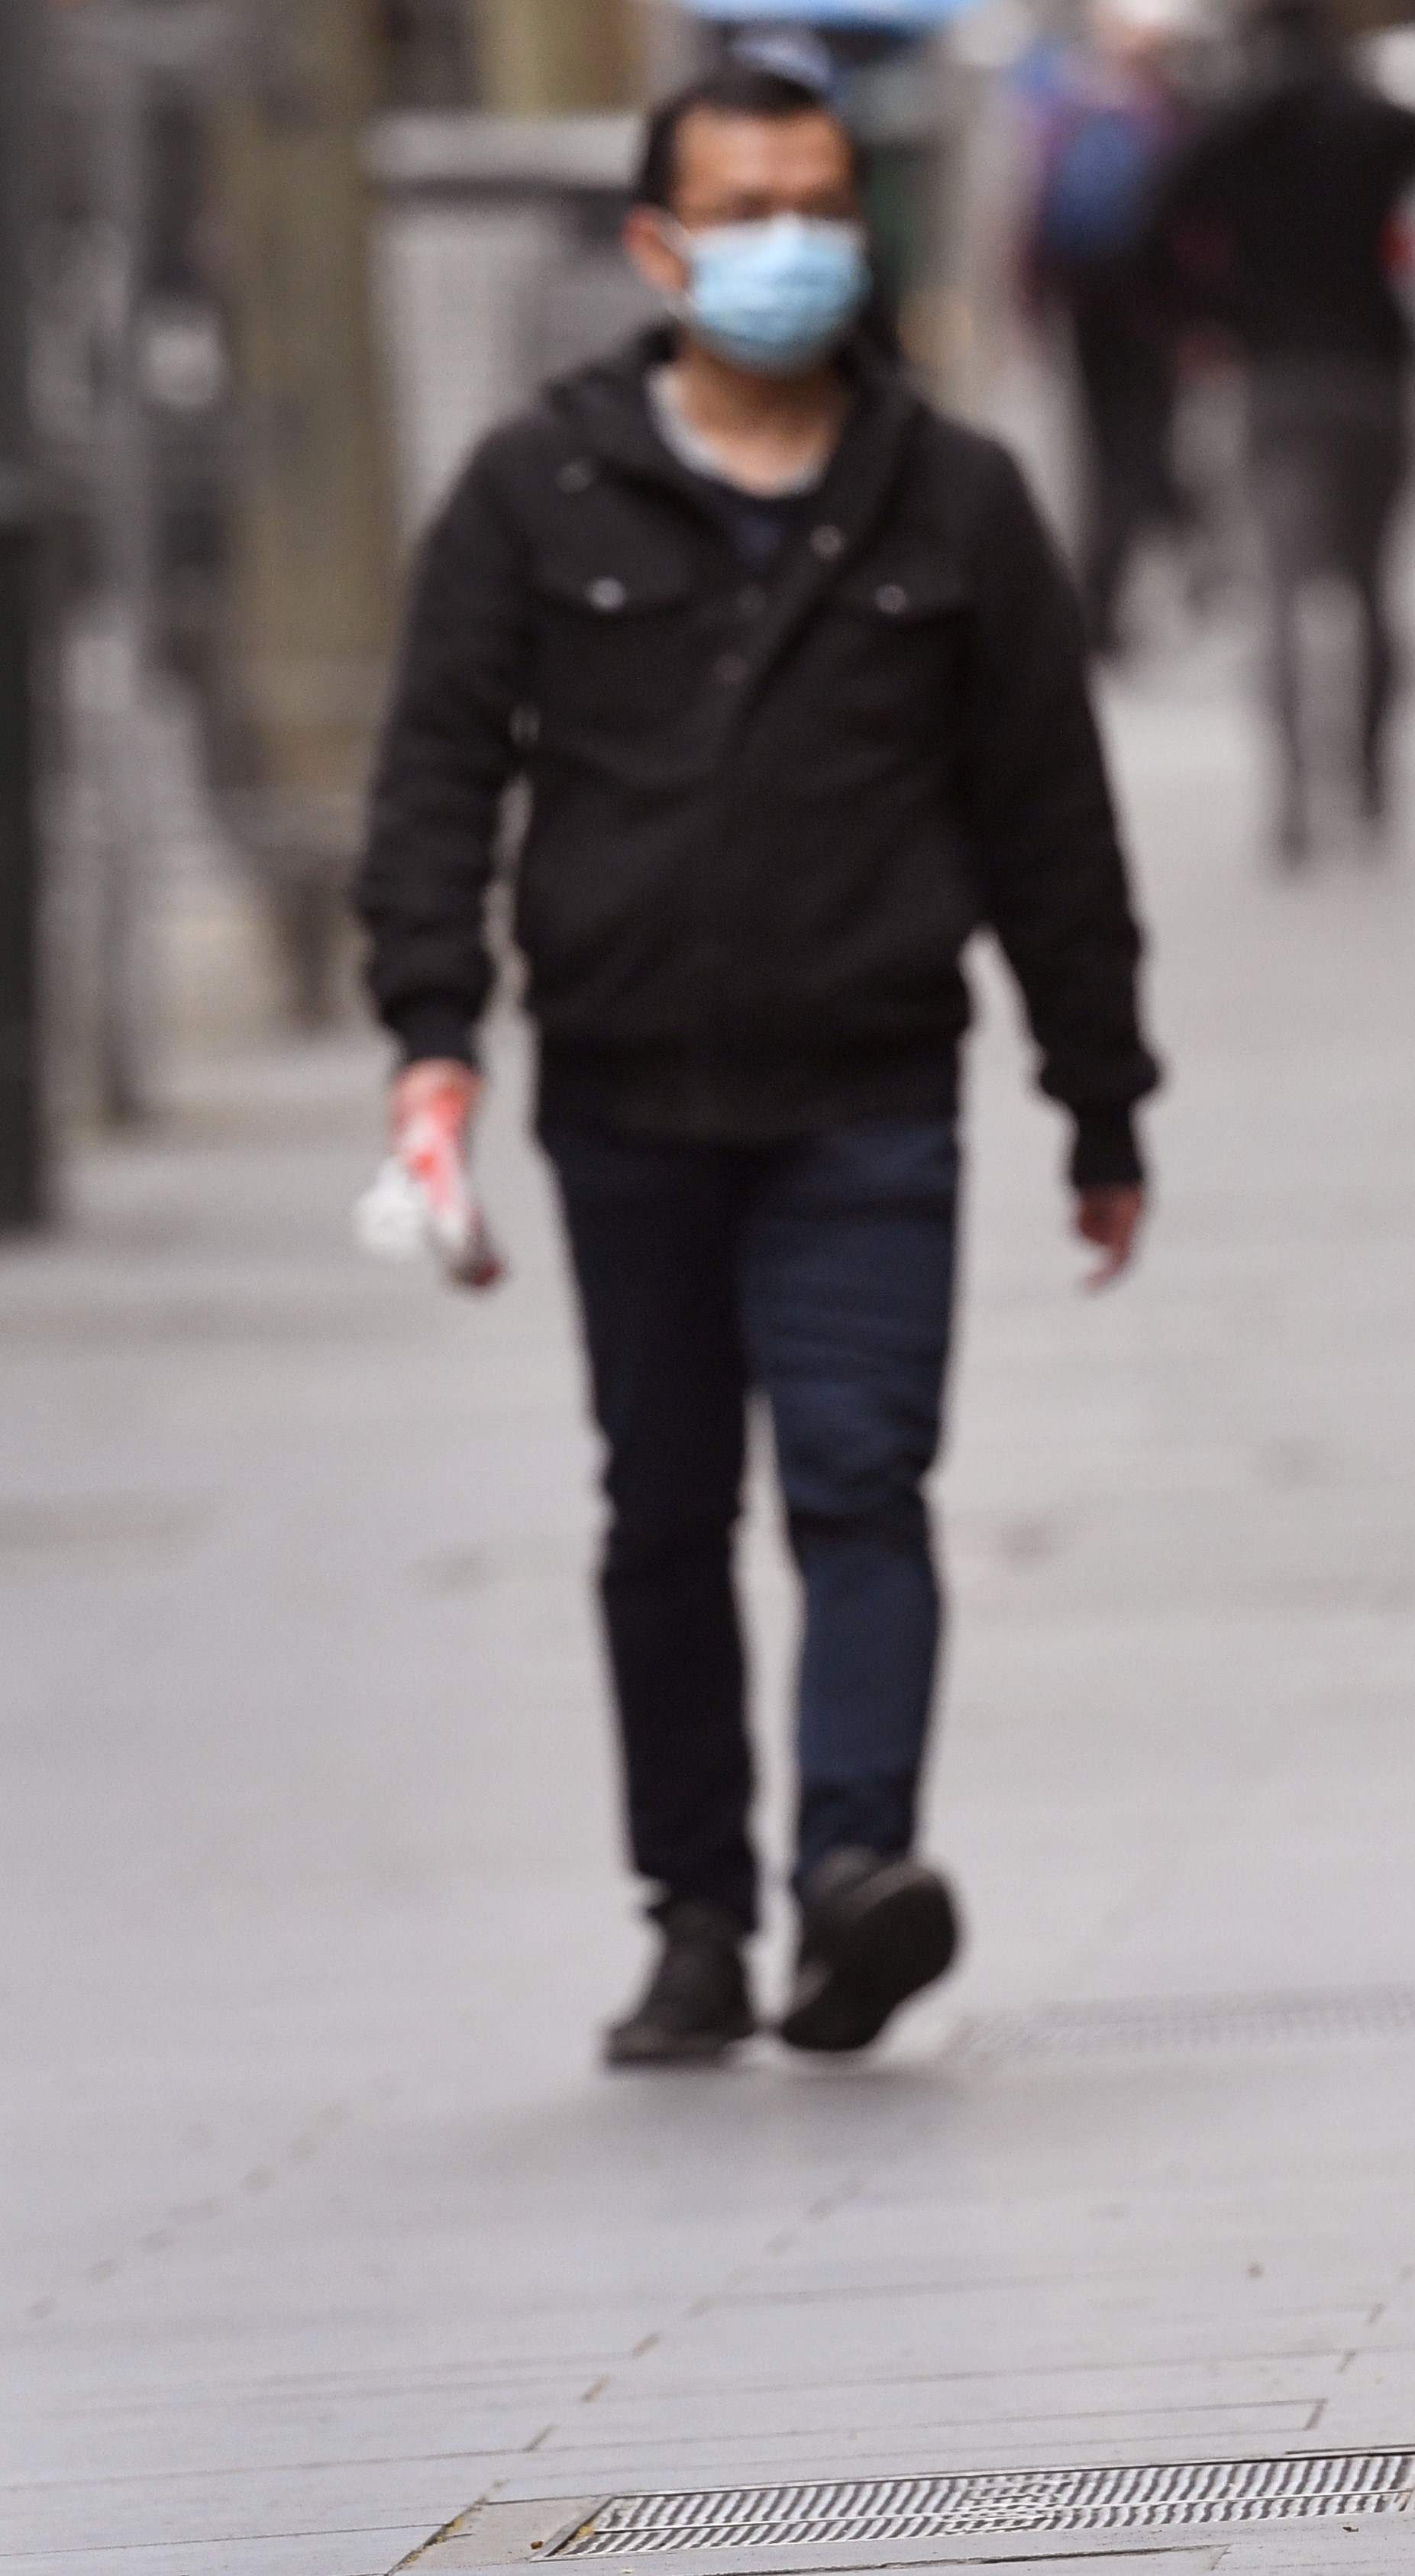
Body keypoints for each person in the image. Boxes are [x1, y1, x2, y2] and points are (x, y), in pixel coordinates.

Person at [352, 56, 1159, 2069]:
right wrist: (431, 1039)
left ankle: (854, 1875)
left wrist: (1099, 1091)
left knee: (866, 1475)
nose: (793, 243)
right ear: (658, 245)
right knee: (662, 1506)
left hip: (871, 1083)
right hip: (625, 1089)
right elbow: (438, 778)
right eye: (747, 208)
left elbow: (1049, 815)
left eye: (820, 203)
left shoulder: (953, 496)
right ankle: (696, 1909)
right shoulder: (534, 489)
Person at [1143, 0, 1415, 864]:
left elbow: (1143, 232)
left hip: (1278, 383)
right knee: (1371, 587)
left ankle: (1292, 790)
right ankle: (1367, 778)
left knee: (1285, 592)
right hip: (1375, 378)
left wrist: (1208, 320)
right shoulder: (1379, 123)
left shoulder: (1233, 131)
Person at [1018, 0, 1200, 659]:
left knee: (1105, 452)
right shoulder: (1169, 117)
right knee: (1137, 449)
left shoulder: (1070, 111)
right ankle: (1120, 586)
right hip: (1151, 310)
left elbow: (1035, 220)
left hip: (1087, 302)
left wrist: (1035, 305)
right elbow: (1197, 232)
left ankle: (1105, 592)